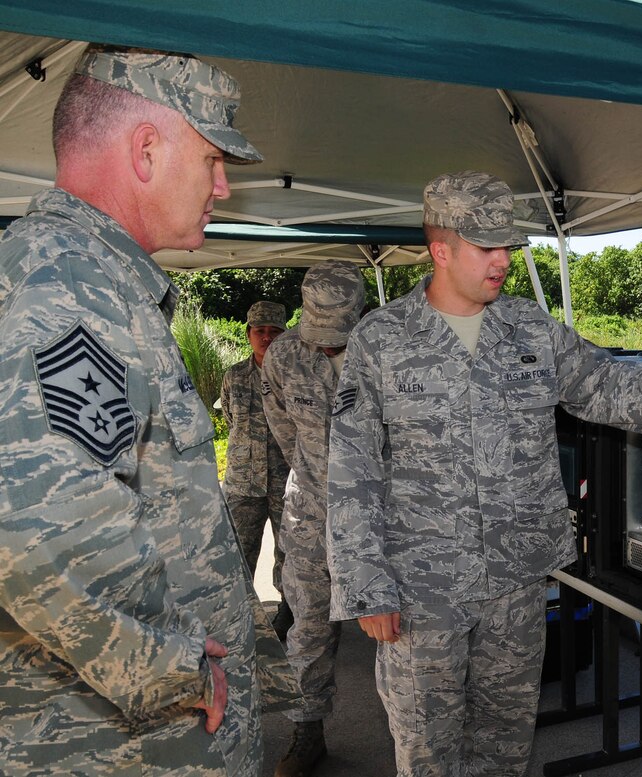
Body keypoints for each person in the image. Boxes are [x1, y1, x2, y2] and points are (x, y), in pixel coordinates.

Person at [325, 170, 642, 776]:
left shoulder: (531, 331)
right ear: (442, 250)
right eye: (488, 247)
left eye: (509, 246)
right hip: (422, 590)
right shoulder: (380, 339)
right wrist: (366, 587)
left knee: (505, 746)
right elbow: (351, 469)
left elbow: (605, 384)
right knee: (428, 755)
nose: (504, 260)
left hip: (517, 583)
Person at [0, 46, 298, 775]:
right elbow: (38, 530)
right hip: (123, 745)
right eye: (212, 160)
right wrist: (175, 671)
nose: (223, 187)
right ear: (144, 149)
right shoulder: (67, 282)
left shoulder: (91, 278)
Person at [262, 261, 367, 777]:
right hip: (310, 513)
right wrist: (314, 477)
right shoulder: (282, 355)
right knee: (307, 627)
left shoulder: (387, 348)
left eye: (336, 337)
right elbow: (284, 428)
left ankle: (417, 733)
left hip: (381, 516)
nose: (326, 346)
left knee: (407, 629)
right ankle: (307, 731)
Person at [221, 300, 293, 639]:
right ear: (249, 334)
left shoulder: (295, 374)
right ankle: (239, 616)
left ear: (284, 334)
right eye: (259, 331)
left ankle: (288, 614)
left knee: (290, 551)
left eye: (273, 331)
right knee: (238, 550)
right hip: (243, 482)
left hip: (287, 481)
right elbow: (231, 420)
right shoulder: (234, 376)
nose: (266, 337)